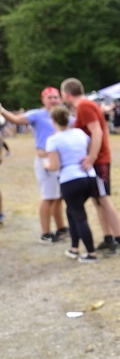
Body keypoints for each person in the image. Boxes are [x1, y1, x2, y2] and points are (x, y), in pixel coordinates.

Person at [61, 78, 120, 255]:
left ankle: (119, 240)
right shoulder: (85, 105)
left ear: (66, 94)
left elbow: (97, 132)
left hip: (99, 161)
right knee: (97, 200)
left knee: (103, 199)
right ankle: (108, 238)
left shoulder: (84, 106)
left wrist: (91, 157)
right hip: (96, 161)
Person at [0, 88, 69, 243]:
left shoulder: (63, 115)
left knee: (59, 197)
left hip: (61, 162)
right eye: (50, 97)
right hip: (46, 160)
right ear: (43, 99)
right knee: (48, 197)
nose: (53, 100)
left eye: (56, 97)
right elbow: (16, 119)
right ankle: (46, 233)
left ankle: (61, 228)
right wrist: (2, 110)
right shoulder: (37, 114)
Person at [43, 106, 100, 263]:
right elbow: (89, 148)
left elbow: (54, 165)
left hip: (70, 179)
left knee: (79, 215)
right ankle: (74, 248)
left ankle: (91, 253)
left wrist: (46, 165)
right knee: (71, 211)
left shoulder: (53, 139)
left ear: (53, 121)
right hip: (89, 176)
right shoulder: (79, 133)